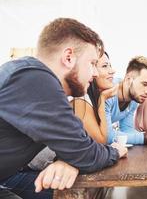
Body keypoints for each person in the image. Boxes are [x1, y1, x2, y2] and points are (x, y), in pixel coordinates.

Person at [0, 18, 127, 199]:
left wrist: (68, 158)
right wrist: (115, 151)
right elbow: (85, 152)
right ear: (68, 57)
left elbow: (76, 144)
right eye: (92, 63)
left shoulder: (31, 77)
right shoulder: (33, 79)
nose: (96, 73)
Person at [105, 56, 147, 145]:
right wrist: (146, 137)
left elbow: (126, 129)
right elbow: (107, 136)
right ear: (128, 79)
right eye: (145, 84)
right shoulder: (108, 92)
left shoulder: (134, 99)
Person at [71, 52, 118, 144]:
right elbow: (101, 142)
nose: (112, 71)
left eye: (110, 66)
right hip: (48, 157)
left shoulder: (90, 99)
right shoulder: (79, 101)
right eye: (105, 66)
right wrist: (102, 99)